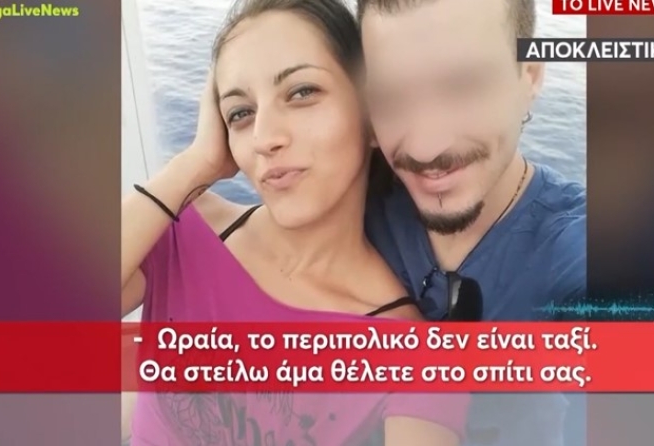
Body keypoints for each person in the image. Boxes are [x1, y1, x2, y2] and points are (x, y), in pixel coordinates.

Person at [120, 0, 469, 444]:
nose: (264, 138)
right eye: (240, 113)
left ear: (374, 116)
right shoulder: (183, 229)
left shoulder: (410, 352)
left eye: (302, 92)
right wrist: (195, 164)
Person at [355, 0, 586, 444]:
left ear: (530, 75)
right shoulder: (357, 202)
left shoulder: (573, 253)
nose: (426, 147)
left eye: (463, 87)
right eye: (391, 97)